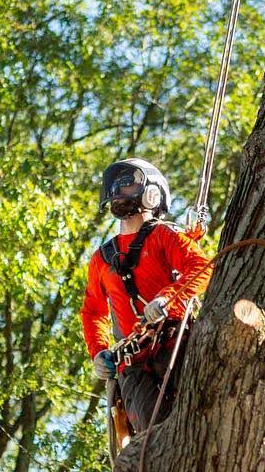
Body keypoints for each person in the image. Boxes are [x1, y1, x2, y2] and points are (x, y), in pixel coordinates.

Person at [79, 157, 213, 433]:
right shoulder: (102, 259)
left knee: (199, 413)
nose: (119, 192)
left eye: (128, 185)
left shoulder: (164, 236)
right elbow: (93, 311)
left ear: (152, 191)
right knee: (151, 436)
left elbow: (201, 267)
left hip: (175, 343)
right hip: (134, 364)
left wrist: (167, 298)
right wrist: (99, 351)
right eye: (115, 187)